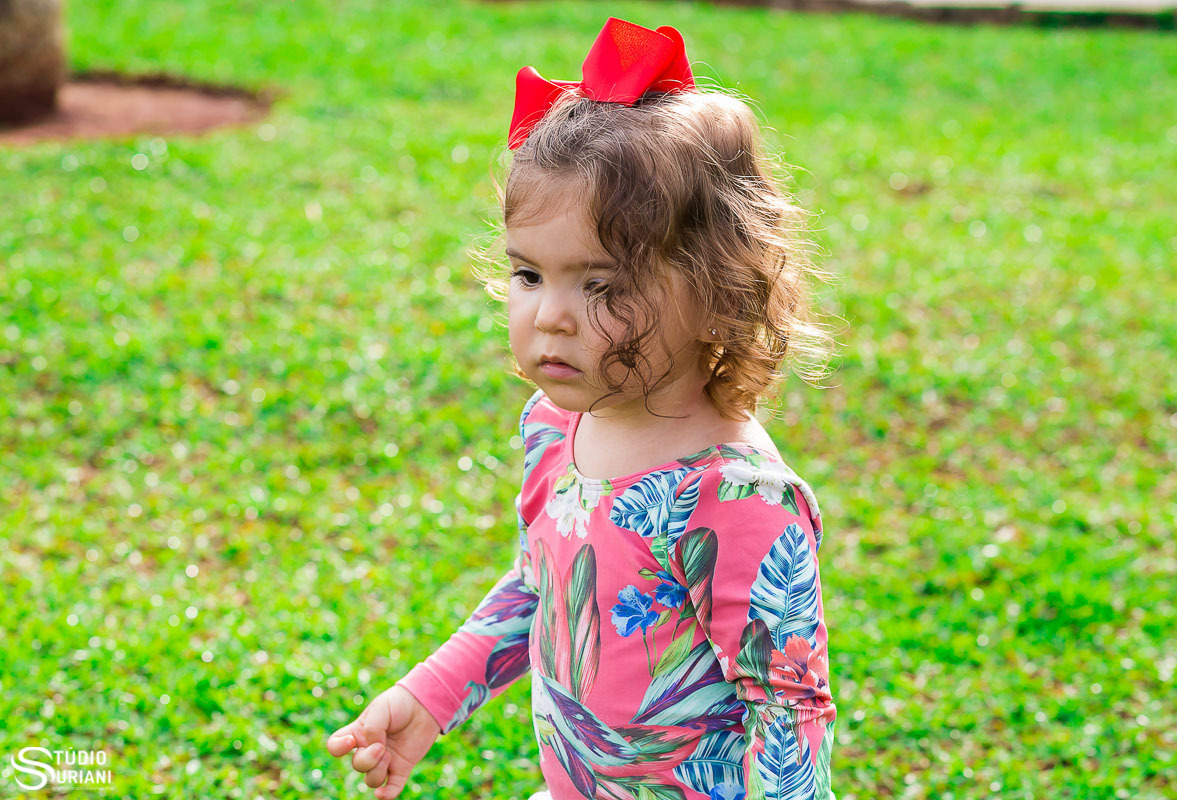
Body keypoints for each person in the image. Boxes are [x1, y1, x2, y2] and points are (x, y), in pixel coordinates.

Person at [327, 16, 841, 800]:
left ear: (718, 295)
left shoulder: (733, 497)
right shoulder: (553, 425)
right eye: (529, 275)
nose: (550, 316)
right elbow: (540, 589)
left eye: (599, 286)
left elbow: (787, 711)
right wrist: (430, 697)